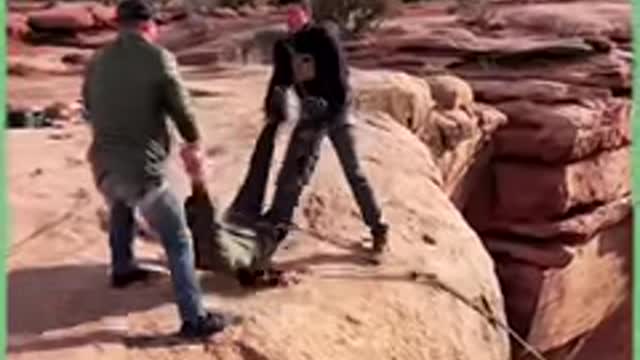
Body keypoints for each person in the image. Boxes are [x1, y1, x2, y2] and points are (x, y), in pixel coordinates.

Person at [82, 0, 238, 338]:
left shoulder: (97, 60)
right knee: (179, 239)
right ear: (149, 26)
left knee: (120, 204)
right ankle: (193, 318)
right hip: (142, 172)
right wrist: (193, 142)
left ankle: (122, 267)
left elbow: (89, 109)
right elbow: (182, 109)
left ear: (118, 25)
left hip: (103, 167)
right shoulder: (158, 59)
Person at [225, 0, 389, 266]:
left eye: (294, 12)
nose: (289, 18)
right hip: (311, 114)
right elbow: (280, 80)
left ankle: (378, 228)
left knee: (353, 171)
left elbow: (340, 80)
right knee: (292, 170)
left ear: (306, 13)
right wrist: (273, 103)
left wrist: (328, 105)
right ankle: (276, 226)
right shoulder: (286, 46)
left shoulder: (323, 37)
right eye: (285, 13)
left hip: (336, 113)